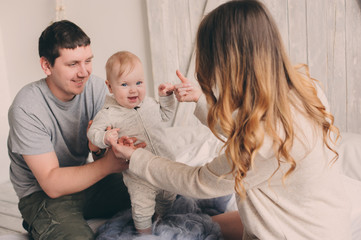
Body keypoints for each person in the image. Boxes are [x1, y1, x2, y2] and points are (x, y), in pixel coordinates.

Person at [108, 0, 352, 239]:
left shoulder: (261, 140)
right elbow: (248, 130)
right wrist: (200, 101)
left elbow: (198, 181)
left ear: (226, 64)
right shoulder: (305, 89)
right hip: (326, 224)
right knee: (193, 225)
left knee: (184, 230)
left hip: (296, 232)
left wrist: (137, 158)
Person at [7, 20, 141, 240]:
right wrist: (107, 164)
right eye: (73, 64)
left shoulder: (96, 88)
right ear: (46, 66)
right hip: (42, 195)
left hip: (87, 183)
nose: (84, 72)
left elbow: (105, 155)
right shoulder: (27, 107)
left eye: (88, 61)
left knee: (154, 191)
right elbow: (51, 184)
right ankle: (37, 218)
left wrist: (100, 151)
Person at [87, 50, 177, 234]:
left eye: (139, 83)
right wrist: (105, 137)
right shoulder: (109, 113)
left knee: (168, 197)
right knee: (142, 207)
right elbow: (93, 132)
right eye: (124, 84)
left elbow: (166, 115)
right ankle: (144, 234)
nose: (134, 89)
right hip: (138, 173)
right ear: (110, 87)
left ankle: (161, 220)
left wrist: (166, 98)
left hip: (164, 165)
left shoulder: (150, 104)